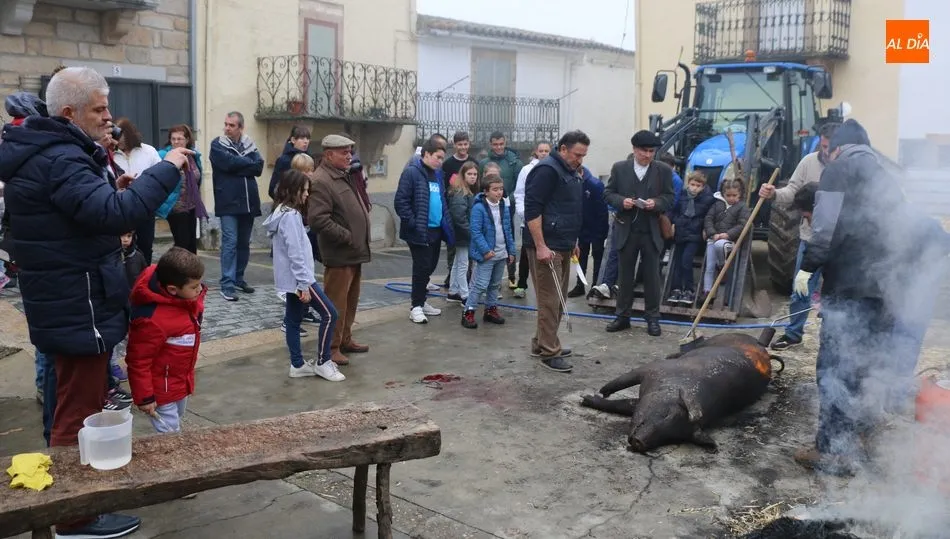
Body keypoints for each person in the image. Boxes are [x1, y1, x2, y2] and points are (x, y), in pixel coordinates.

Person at [0, 66, 191, 538]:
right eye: (100, 108)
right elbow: (113, 215)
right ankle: (73, 519)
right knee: (76, 412)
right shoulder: (61, 157)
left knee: (72, 405)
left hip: (72, 298)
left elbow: (83, 212)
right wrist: (167, 168)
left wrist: (114, 190)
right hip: (77, 303)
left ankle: (70, 506)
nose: (110, 118)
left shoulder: (52, 152)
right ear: (70, 112)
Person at [791, 118, 950, 475]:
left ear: (838, 147)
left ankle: (832, 450)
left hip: (849, 289)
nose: (827, 150)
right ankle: (861, 438)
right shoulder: (884, 178)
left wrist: (808, 266)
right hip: (884, 291)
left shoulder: (837, 170)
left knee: (835, 367)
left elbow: (826, 226)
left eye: (829, 146)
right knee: (867, 366)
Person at [758, 122, 839, 350]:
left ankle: (833, 337)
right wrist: (774, 194)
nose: (827, 151)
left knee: (835, 293)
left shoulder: (847, 167)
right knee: (801, 287)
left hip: (838, 243)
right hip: (810, 239)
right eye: (824, 146)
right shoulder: (808, 162)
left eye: (831, 147)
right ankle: (794, 334)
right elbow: (791, 192)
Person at [264, 170, 344, 382]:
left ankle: (297, 364)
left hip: (293, 280)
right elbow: (295, 253)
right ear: (294, 190)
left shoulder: (282, 212)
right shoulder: (290, 216)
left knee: (292, 320)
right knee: (330, 314)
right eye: (305, 190)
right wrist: (304, 284)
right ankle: (323, 361)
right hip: (301, 280)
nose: (307, 195)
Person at [523, 130, 590, 373]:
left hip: (563, 244)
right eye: (576, 154)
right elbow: (532, 209)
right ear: (562, 149)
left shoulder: (570, 172)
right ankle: (550, 351)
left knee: (558, 301)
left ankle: (541, 343)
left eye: (583, 155)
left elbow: (568, 209)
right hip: (546, 246)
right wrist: (540, 245)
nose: (580, 159)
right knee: (550, 301)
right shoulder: (547, 170)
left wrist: (573, 241)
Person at [126, 247, 207, 433]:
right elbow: (138, 360)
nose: (200, 290)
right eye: (194, 287)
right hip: (160, 389)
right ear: (172, 289)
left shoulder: (186, 300)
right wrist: (145, 397)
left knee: (176, 419)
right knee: (169, 432)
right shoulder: (152, 319)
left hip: (180, 380)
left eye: (199, 284)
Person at [308, 134, 372, 365]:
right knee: (336, 304)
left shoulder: (343, 175)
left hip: (353, 252)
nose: (349, 156)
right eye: (344, 152)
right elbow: (318, 220)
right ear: (328, 154)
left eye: (350, 151)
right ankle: (331, 347)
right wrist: (347, 235)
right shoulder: (321, 180)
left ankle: (345, 339)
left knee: (350, 301)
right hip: (339, 254)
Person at [604, 131, 675, 336]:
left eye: (652, 151)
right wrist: (621, 202)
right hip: (627, 229)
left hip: (651, 230)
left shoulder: (663, 170)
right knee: (625, 276)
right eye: (644, 151)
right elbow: (608, 193)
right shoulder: (620, 168)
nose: (648, 155)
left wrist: (657, 203)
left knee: (652, 276)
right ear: (634, 149)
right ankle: (622, 316)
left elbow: (670, 197)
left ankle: (653, 318)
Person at [395, 138, 455, 324]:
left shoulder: (437, 175)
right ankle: (416, 306)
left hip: (436, 229)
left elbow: (441, 200)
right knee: (421, 268)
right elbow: (401, 202)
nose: (440, 161)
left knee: (429, 266)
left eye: (442, 158)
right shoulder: (412, 173)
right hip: (420, 230)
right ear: (426, 154)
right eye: (437, 157)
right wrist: (413, 222)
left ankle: (422, 301)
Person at [210, 111, 264, 302]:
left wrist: (240, 165)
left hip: (248, 203)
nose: (227, 128)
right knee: (230, 243)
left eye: (231, 125)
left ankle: (239, 278)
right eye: (226, 124)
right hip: (228, 203)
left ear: (241, 127)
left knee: (243, 243)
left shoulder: (250, 145)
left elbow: (258, 167)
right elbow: (227, 163)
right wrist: (245, 164)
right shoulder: (217, 145)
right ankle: (227, 284)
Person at [462, 174, 516, 329]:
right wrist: (486, 251)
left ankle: (490, 310)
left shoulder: (503, 206)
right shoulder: (479, 207)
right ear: (486, 191)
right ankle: (469, 311)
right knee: (480, 284)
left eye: (500, 189)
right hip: (487, 255)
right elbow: (476, 232)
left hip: (501, 253)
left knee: (494, 284)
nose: (499, 192)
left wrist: (511, 250)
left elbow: (507, 230)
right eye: (495, 190)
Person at [113, 117, 163, 264]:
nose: (117, 140)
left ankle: (144, 277)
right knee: (123, 246)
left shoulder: (148, 152)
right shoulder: (111, 154)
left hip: (145, 206)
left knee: (146, 245)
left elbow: (160, 177)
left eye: (120, 136)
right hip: (121, 207)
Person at [479, 131, 524, 289]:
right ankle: (489, 278)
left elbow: (519, 187)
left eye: (501, 144)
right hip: (487, 207)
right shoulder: (483, 162)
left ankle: (512, 275)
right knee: (490, 239)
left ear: (505, 143)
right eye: (495, 144)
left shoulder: (515, 163)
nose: (498, 147)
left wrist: (506, 200)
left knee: (508, 240)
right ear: (491, 144)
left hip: (506, 207)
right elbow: (481, 185)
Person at [157, 124, 207, 254]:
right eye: (173, 139)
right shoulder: (163, 155)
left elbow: (198, 178)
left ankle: (190, 273)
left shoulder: (193, 156)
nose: (176, 142)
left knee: (191, 246)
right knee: (182, 245)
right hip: (176, 207)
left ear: (187, 140)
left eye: (179, 139)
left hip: (191, 206)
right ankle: (179, 272)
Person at [667, 171, 715, 305]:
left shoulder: (707, 199)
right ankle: (676, 288)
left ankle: (689, 289)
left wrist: (705, 228)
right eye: (692, 184)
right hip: (680, 232)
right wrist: (673, 223)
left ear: (703, 186)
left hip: (694, 234)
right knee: (677, 261)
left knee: (686, 261)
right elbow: (674, 210)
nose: (694, 188)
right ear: (688, 184)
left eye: (698, 185)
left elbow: (709, 216)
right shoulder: (682, 196)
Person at [700, 178, 750, 303]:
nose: (731, 198)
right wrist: (712, 233)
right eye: (728, 195)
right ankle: (707, 291)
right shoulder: (717, 205)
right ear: (723, 194)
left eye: (734, 195)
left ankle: (721, 265)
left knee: (719, 246)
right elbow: (708, 219)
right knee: (709, 266)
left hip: (729, 240)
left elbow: (742, 224)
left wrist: (727, 234)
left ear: (740, 194)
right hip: (713, 238)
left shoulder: (742, 207)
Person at [512, 141, 552, 299]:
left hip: (548, 220)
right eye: (541, 150)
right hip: (529, 219)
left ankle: (544, 288)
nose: (543, 153)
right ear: (536, 152)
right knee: (526, 254)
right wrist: (524, 214)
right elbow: (520, 193)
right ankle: (522, 283)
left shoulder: (553, 170)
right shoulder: (526, 170)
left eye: (546, 150)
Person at [440, 131, 478, 289]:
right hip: (454, 210)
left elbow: (477, 187)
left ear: (469, 144)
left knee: (465, 256)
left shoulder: (473, 162)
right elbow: (444, 186)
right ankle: (453, 280)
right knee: (453, 252)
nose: (463, 147)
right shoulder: (448, 164)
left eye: (465, 144)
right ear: (454, 145)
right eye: (460, 144)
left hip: (469, 209)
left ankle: (463, 280)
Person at [568, 165, 609, 298]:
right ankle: (580, 285)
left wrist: (602, 231)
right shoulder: (573, 183)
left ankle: (595, 286)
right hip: (582, 227)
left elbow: (602, 210)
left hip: (596, 227)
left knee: (597, 256)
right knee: (580, 256)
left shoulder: (595, 184)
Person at [446, 161, 478, 303]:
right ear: (463, 175)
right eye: (469, 174)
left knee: (458, 263)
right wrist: (471, 233)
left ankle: (453, 291)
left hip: (460, 233)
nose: (473, 177)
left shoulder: (465, 190)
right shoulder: (461, 192)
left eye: (475, 174)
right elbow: (459, 216)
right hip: (462, 233)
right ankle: (464, 295)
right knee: (463, 264)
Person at [267, 125, 311, 200]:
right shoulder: (284, 160)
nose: (306, 141)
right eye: (302, 138)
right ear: (293, 140)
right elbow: (273, 188)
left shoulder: (309, 158)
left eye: (308, 138)